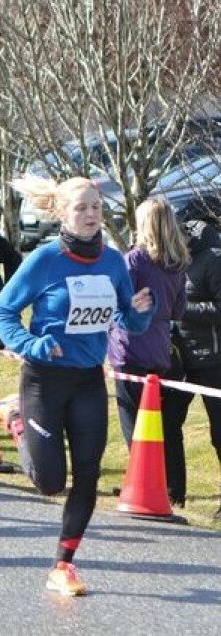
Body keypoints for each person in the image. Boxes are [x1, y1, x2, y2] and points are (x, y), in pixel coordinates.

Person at [0, 175, 153, 597]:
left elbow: (125, 319)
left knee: (87, 475)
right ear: (61, 213)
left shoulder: (114, 261)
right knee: (50, 482)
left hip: (87, 381)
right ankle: (15, 418)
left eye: (96, 207)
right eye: (81, 208)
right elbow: (2, 310)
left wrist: (137, 314)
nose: (90, 215)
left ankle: (63, 564)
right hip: (44, 380)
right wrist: (30, 344)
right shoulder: (45, 259)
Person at [107, 198, 189, 507]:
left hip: (130, 348)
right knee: (162, 423)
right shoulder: (178, 264)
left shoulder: (135, 260)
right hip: (159, 350)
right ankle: (171, 487)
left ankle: (142, 481)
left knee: (134, 422)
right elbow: (178, 309)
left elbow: (119, 303)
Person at [174, 196, 221, 519]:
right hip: (179, 359)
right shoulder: (175, 258)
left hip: (213, 360)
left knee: (219, 433)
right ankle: (171, 494)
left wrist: (181, 310)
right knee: (167, 423)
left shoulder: (214, 259)